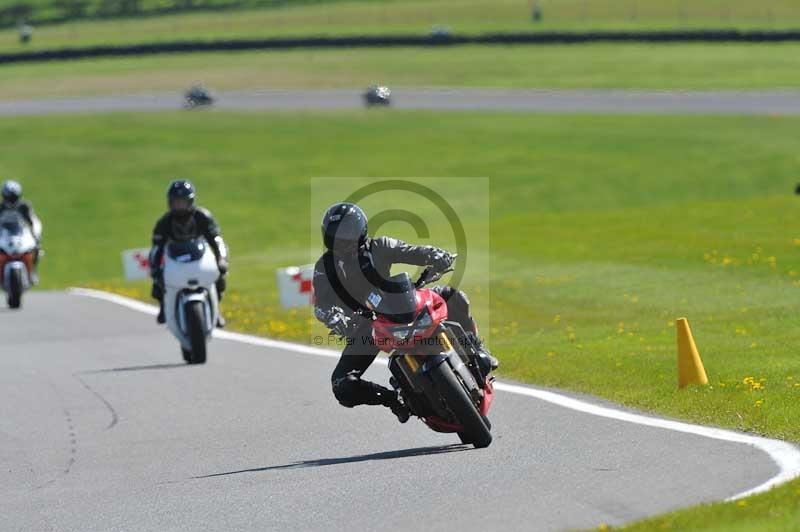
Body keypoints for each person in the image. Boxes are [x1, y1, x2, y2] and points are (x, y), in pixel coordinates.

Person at [312, 202, 498, 423]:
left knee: (455, 296)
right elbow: (321, 303)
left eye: (348, 235)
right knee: (342, 385)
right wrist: (334, 317)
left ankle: (476, 349)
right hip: (366, 325)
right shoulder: (324, 268)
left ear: (361, 231)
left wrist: (435, 255)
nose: (344, 242)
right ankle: (395, 399)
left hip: (401, 304)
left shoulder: (381, 246)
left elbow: (411, 251)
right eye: (337, 238)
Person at [149, 179, 229, 326]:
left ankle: (216, 310)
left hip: (200, 256)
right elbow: (156, 248)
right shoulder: (164, 223)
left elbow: (216, 239)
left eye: (182, 202)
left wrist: (222, 259)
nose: (179, 206)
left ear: (190, 201)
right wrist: (154, 268)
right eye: (175, 202)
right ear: (170, 203)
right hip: (174, 259)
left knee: (219, 275)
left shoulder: (202, 216)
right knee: (157, 281)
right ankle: (163, 308)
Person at [0, 180, 42, 283]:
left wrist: (36, 235)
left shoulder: (24, 206)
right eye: (10, 197)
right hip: (4, 235)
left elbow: (33, 221)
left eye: (14, 197)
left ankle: (33, 272)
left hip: (20, 234)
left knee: (37, 249)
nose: (12, 200)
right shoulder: (1, 207)